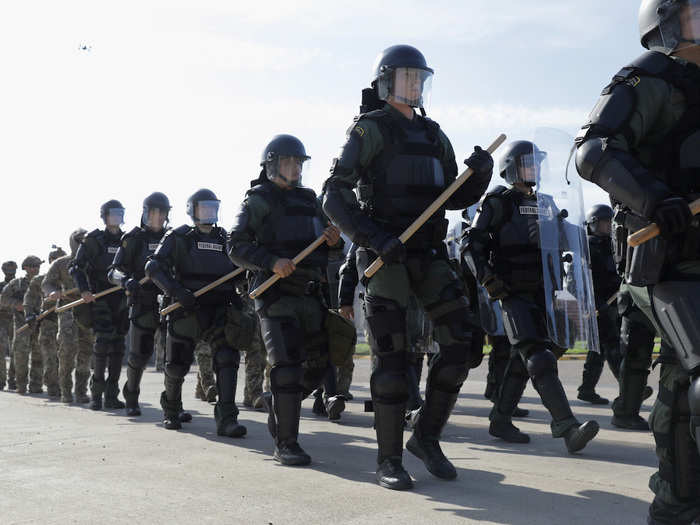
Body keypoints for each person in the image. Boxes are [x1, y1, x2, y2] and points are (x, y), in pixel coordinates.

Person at [322, 44, 493, 489]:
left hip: (430, 254)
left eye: (420, 78)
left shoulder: (436, 135)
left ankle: (427, 436)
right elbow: (333, 195)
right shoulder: (369, 130)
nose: (414, 85)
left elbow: (454, 198)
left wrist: (480, 176)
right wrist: (373, 238)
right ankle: (389, 459)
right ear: (386, 82)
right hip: (385, 256)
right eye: (406, 77)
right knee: (393, 359)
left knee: (463, 343)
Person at [575, 2, 700, 521]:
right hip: (665, 262)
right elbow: (594, 150)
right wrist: (654, 198)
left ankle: (675, 503)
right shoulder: (647, 81)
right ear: (667, 23)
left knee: (678, 387)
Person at [463, 140, 600, 451]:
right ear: (512, 168)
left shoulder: (548, 204)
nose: (535, 168)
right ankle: (567, 427)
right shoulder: (499, 203)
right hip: (511, 292)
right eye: (528, 162)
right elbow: (471, 244)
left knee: (523, 358)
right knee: (538, 357)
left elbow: (570, 239)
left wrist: (566, 234)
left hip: (545, 293)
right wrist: (487, 279)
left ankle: (500, 419)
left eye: (537, 162)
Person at [228, 134, 342, 465]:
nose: (294, 168)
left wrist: (333, 241)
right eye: (288, 162)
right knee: (287, 368)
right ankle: (286, 443)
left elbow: (329, 247)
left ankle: (277, 399)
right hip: (275, 295)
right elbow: (235, 246)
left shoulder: (310, 201)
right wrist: (271, 261)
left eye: (298, 163)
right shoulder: (257, 200)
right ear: (271, 166)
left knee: (321, 364)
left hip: (309, 293)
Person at [146, 188, 246, 437]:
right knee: (177, 365)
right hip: (186, 308)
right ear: (192, 210)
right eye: (204, 208)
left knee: (227, 359)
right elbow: (153, 267)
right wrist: (176, 291)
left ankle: (227, 418)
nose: (209, 213)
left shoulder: (226, 238)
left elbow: (242, 268)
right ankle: (171, 410)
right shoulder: (179, 237)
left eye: (213, 208)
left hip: (221, 307)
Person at [107, 192, 182, 418]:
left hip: (170, 300)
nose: (157, 218)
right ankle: (131, 396)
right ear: (144, 213)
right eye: (153, 213)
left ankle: (173, 405)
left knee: (175, 355)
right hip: (143, 300)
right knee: (139, 354)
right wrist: (125, 280)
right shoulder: (134, 239)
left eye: (161, 213)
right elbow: (113, 271)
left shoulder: (174, 238)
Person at [577, 205, 622, 404]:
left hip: (614, 303)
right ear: (593, 224)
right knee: (612, 345)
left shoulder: (612, 245)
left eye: (609, 223)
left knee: (598, 349)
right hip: (598, 306)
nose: (608, 227)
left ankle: (586, 390)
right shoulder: (588, 248)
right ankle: (629, 387)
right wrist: (595, 303)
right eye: (604, 223)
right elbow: (583, 282)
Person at [43, 229, 93, 404]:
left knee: (86, 352)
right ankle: (65, 391)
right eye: (78, 240)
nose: (82, 244)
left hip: (88, 310)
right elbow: (47, 283)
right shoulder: (61, 263)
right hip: (68, 309)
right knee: (66, 351)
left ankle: (81, 391)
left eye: (85, 241)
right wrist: (53, 292)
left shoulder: (94, 261)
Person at [24, 247, 66, 398]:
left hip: (66, 322)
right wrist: (29, 315)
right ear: (50, 261)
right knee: (49, 357)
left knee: (65, 357)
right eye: (56, 259)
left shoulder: (70, 279)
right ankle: (53, 387)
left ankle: (64, 386)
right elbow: (28, 300)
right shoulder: (40, 280)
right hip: (48, 322)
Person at [0, 256, 43, 394]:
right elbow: (4, 298)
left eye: (37, 266)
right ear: (25, 268)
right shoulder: (17, 284)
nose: (36, 269)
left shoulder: (44, 282)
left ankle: (36, 385)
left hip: (39, 323)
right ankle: (21, 384)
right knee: (20, 356)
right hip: (21, 324)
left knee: (38, 355)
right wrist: (17, 305)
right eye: (33, 266)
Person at [0, 260, 18, 390]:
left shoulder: (20, 285)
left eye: (12, 271)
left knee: (16, 350)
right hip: (2, 319)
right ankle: (1, 380)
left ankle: (13, 380)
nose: (10, 273)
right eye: (8, 271)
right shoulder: (1, 285)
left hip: (16, 319)